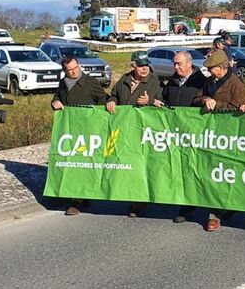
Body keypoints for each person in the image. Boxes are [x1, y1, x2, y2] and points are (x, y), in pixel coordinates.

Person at [193, 49, 245, 231]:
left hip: (229, 135)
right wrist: (205, 99)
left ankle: (219, 212)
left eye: (212, 68)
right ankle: (216, 211)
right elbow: (196, 99)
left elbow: (239, 106)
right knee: (213, 173)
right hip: (210, 134)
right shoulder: (209, 81)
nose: (209, 71)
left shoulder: (236, 84)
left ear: (222, 67)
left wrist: (216, 105)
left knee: (225, 174)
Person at [51, 56, 112, 216]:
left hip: (88, 130)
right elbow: (57, 97)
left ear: (79, 65)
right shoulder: (63, 83)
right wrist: (55, 102)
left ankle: (78, 200)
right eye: (69, 70)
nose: (73, 72)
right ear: (64, 70)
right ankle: (79, 196)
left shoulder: (89, 82)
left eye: (75, 68)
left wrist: (104, 109)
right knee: (73, 163)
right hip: (70, 130)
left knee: (84, 163)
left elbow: (104, 98)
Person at [110, 51, 164, 217]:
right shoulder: (124, 80)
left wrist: (150, 102)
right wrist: (111, 101)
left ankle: (140, 201)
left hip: (145, 130)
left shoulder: (154, 81)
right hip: (126, 130)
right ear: (133, 66)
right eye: (141, 66)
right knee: (128, 164)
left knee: (141, 166)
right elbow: (114, 95)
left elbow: (163, 103)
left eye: (146, 65)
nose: (144, 69)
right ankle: (130, 194)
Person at [164, 51, 209, 224]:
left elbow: (205, 99)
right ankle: (185, 203)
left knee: (195, 170)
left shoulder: (200, 81)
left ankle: (198, 207)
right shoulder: (172, 81)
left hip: (195, 133)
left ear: (189, 63)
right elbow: (165, 98)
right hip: (176, 134)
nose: (176, 67)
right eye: (174, 64)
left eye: (179, 64)